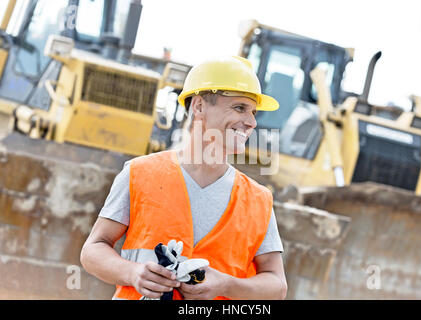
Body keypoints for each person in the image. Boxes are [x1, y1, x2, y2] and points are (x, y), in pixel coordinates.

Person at [80, 56, 287, 300]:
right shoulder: (139, 173)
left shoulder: (258, 200)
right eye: (240, 108)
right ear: (199, 106)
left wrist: (225, 285)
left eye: (253, 112)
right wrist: (134, 273)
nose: (251, 122)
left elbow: (277, 286)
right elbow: (92, 250)